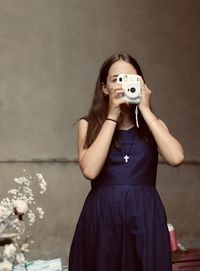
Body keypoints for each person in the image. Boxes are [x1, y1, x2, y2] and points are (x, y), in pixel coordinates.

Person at [68, 53, 184, 271]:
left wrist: (146, 110)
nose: (122, 85)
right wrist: (112, 116)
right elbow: (90, 171)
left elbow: (176, 158)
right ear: (104, 88)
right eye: (115, 80)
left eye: (130, 78)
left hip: (144, 215)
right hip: (102, 217)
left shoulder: (154, 125)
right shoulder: (88, 125)